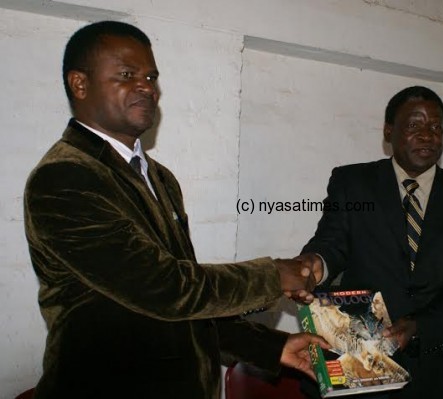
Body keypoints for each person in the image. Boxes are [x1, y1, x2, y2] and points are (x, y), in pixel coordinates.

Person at [23, 21, 329, 399]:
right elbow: (164, 287)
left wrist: (271, 347)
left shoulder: (159, 177)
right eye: (126, 74)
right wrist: (273, 275)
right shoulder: (65, 177)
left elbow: (189, 306)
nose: (146, 87)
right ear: (80, 84)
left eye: (151, 76)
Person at [298, 86, 443, 398]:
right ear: (389, 131)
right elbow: (331, 244)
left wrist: (420, 325)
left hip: (433, 364)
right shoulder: (353, 183)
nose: (428, 135)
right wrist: (313, 266)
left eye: (436, 126)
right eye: (415, 125)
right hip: (362, 358)